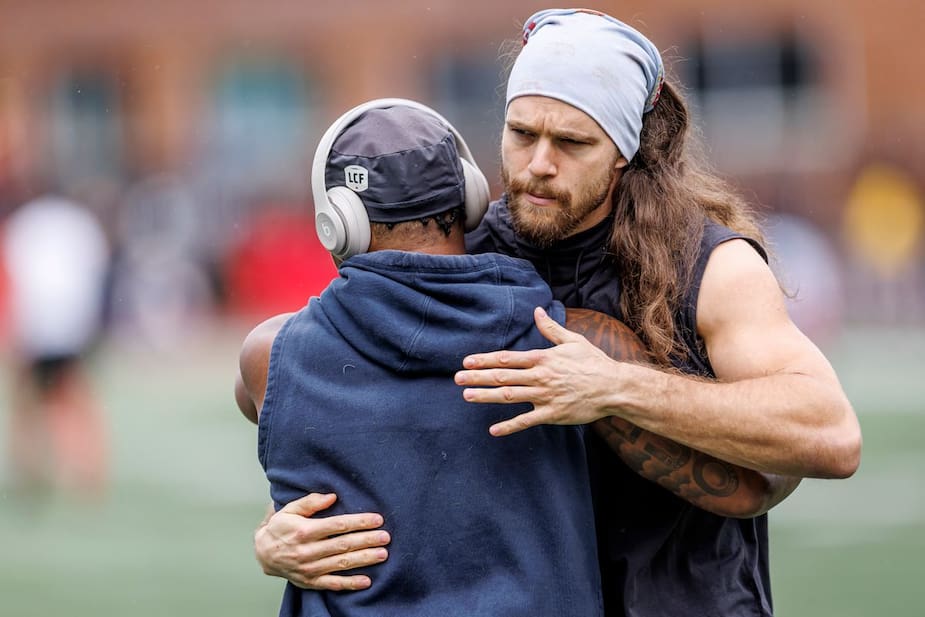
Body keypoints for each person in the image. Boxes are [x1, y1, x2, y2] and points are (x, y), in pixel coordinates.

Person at [252, 9, 863, 616]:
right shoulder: (470, 254)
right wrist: (280, 533)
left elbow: (832, 437)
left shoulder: (709, 266)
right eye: (522, 134)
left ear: (624, 150)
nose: (539, 163)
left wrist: (616, 387)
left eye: (572, 143)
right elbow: (353, 407)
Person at [235, 99, 607, 616]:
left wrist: (268, 536)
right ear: (471, 196)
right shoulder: (577, 343)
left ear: (338, 221)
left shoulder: (268, 353)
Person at [2, 194, 110, 497]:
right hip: (72, 322)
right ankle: (86, 470)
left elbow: (12, 275)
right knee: (73, 397)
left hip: (36, 322)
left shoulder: (24, 222)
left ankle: (33, 468)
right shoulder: (81, 221)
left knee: (28, 399)